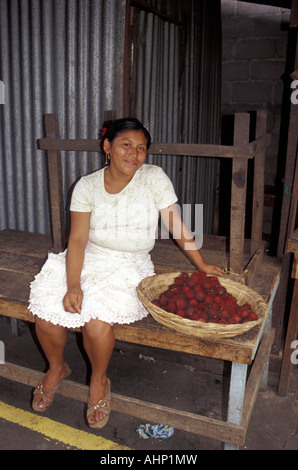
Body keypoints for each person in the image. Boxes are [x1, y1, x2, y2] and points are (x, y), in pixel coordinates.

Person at [29, 117, 223, 429]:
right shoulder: (87, 186)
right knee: (46, 316)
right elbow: (77, 239)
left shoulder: (154, 178)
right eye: (126, 145)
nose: (134, 153)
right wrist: (73, 283)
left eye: (141, 148)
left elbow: (175, 225)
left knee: (96, 323)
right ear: (107, 147)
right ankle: (56, 368)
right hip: (88, 258)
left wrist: (201, 264)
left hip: (129, 265)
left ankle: (99, 380)